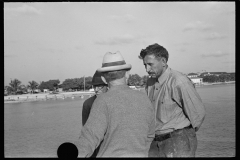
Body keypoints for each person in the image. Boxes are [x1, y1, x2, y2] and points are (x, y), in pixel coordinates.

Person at [75, 51, 155, 157]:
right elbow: (150, 135)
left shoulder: (102, 101)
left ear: (104, 78)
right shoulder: (144, 99)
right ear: (127, 74)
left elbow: (89, 138)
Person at [138, 43, 206, 157]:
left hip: (179, 142)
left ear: (163, 62)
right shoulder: (149, 83)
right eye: (145, 65)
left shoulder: (179, 81)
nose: (147, 69)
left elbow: (198, 114)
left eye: (150, 64)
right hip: (155, 142)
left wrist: (185, 134)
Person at [81, 70, 108, 157]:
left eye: (100, 86)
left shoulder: (115, 102)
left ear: (107, 86)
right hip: (95, 145)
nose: (96, 90)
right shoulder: (87, 104)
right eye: (94, 86)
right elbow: (86, 128)